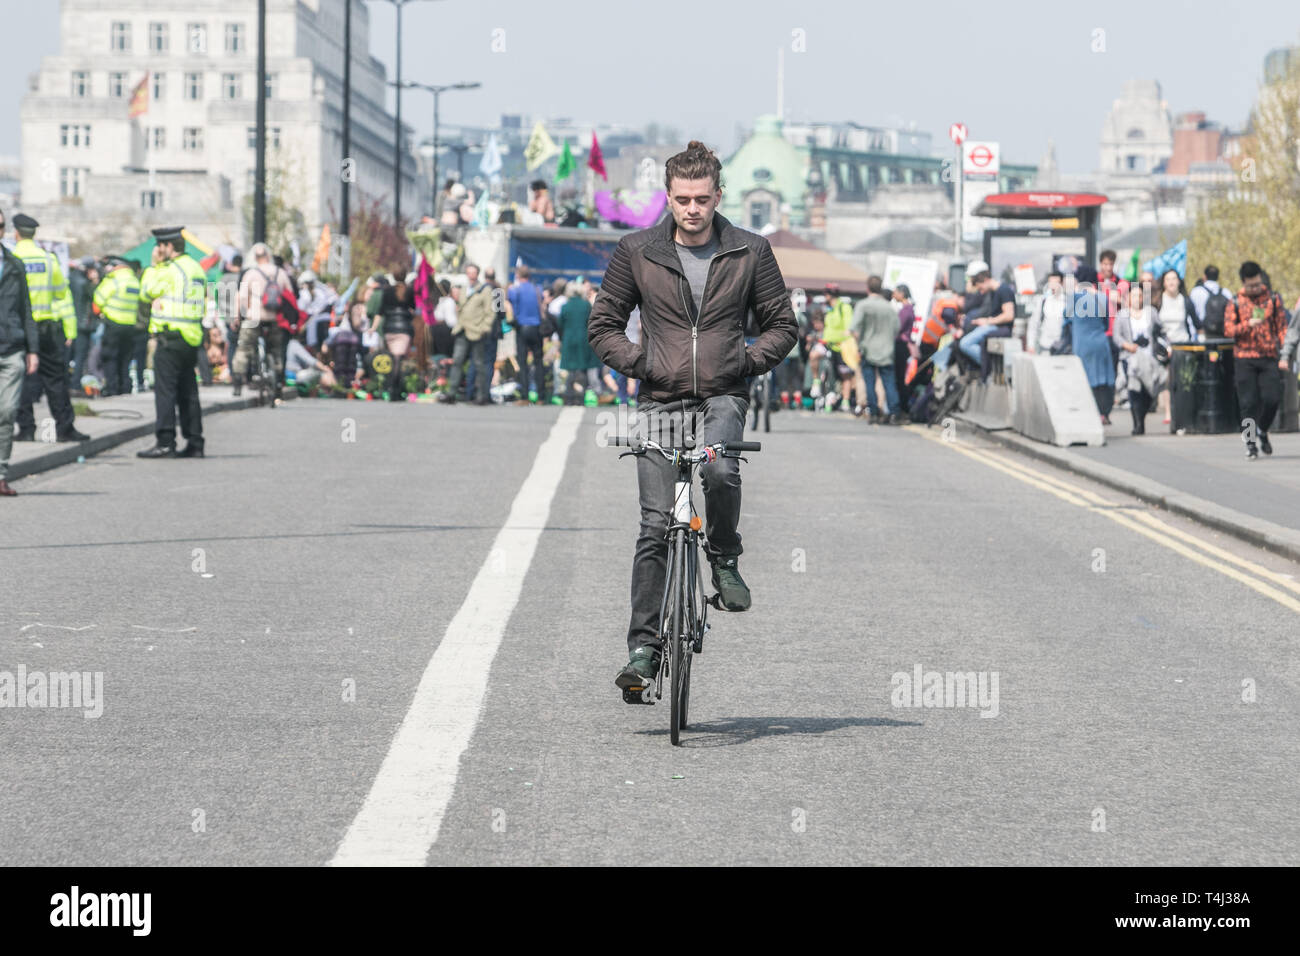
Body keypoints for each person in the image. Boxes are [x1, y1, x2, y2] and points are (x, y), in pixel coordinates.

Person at [587, 140, 798, 692]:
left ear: (718, 196)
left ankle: (724, 557)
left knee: (720, 469)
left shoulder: (751, 250)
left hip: (723, 396)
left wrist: (743, 362)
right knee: (655, 526)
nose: (692, 209)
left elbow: (783, 325)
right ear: (669, 197)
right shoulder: (637, 250)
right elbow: (603, 324)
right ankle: (643, 650)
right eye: (682, 199)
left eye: (702, 199)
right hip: (661, 399)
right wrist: (644, 363)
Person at [11, 214, 88, 443]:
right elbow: (61, 294)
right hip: (46, 327)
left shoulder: (13, 258)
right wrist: (69, 329)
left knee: (21, 379)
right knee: (55, 379)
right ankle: (65, 427)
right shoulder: (47, 259)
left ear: (16, 233)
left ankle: (26, 428)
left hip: (20, 327)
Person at [136, 226, 206, 458]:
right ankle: (195, 441)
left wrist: (153, 265)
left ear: (169, 247)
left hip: (170, 337)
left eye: (160, 246)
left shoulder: (168, 269)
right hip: (191, 336)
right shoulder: (196, 268)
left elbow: (145, 291)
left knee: (165, 392)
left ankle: (166, 441)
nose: (158, 250)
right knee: (189, 392)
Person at [1225, 261, 1288, 460]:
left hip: (1268, 356)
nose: (1255, 289)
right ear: (1244, 283)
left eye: (1258, 284)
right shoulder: (1235, 302)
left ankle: (1262, 429)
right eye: (1251, 285)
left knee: (1273, 398)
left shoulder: (1272, 298)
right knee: (1248, 403)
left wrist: (1285, 350)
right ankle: (1250, 443)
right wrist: (1247, 325)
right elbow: (1228, 331)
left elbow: (1282, 326)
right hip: (1244, 358)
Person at [0, 210, 40, 497]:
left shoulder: (15, 264)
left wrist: (33, 350)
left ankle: (0, 473)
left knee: (7, 411)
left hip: (11, 348)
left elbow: (27, 310)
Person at [1066, 268, 1117, 424]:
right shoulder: (1102, 298)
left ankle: (1086, 413)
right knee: (1102, 379)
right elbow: (1106, 322)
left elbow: (1066, 319)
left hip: (1082, 344)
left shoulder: (1073, 298)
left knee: (1084, 379)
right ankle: (1103, 413)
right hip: (1100, 342)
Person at [1114, 284, 1167, 435]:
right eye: (1134, 295)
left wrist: (1164, 347)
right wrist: (1127, 345)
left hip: (1149, 359)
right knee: (1134, 390)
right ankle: (1138, 424)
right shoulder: (1122, 314)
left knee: (1148, 392)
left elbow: (1161, 331)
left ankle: (1142, 417)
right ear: (1128, 298)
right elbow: (1117, 336)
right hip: (1131, 358)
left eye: (1140, 295)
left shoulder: (1151, 312)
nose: (1137, 298)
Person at [850, 276, 901, 423]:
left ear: (867, 288)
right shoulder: (889, 307)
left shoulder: (863, 305)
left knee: (869, 382)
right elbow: (897, 328)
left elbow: (854, 328)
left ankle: (873, 413)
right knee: (889, 382)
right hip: (887, 350)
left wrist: (860, 343)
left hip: (868, 349)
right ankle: (894, 413)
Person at [92, 255, 141, 396]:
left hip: (113, 325)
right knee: (125, 358)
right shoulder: (134, 281)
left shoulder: (113, 280)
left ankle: (112, 388)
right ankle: (125, 387)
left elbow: (97, 301)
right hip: (130, 326)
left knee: (110, 357)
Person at [440, 276, 494, 405]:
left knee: (478, 363)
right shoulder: (463, 289)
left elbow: (491, 311)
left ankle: (482, 395)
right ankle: (451, 393)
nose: (471, 276)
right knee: (457, 361)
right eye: (469, 273)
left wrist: (485, 327)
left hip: (477, 331)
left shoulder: (486, 290)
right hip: (462, 329)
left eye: (473, 273)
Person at [957, 259, 1015, 377]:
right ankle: (986, 364)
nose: (980, 291)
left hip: (999, 327)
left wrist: (988, 321)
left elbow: (1009, 315)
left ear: (983, 279)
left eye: (979, 286)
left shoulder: (1003, 290)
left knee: (965, 344)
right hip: (993, 326)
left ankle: (987, 364)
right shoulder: (993, 292)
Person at [372, 270, 417, 401]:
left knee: (393, 357)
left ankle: (392, 387)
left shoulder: (387, 291)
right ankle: (395, 388)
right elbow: (413, 308)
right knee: (398, 359)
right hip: (403, 327)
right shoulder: (409, 291)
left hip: (390, 327)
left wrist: (373, 327)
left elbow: (380, 311)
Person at [508, 265, 548, 404]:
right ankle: (541, 396)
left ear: (518, 276)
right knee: (538, 362)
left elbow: (510, 304)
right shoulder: (537, 289)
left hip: (522, 327)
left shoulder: (515, 290)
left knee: (523, 363)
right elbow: (542, 301)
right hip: (536, 328)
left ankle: (524, 396)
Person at [557, 279, 601, 405]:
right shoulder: (586, 305)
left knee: (570, 369)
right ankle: (580, 396)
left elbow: (560, 324)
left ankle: (568, 396)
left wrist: (562, 337)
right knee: (582, 368)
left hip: (569, 339)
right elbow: (591, 322)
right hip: (583, 338)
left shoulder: (565, 306)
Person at [67, 256, 99, 392]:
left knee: (69, 356)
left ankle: (67, 383)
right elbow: (96, 296)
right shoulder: (85, 283)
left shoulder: (71, 278)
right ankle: (75, 385)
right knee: (80, 356)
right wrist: (95, 281)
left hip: (70, 323)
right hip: (82, 324)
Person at [1026, 271, 1066, 354]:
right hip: (1045, 348)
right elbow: (1033, 324)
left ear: (1061, 284)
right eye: (1051, 283)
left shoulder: (1067, 302)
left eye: (1056, 283)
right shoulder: (1042, 301)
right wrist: (1031, 345)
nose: (1053, 286)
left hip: (1062, 349)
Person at [1189, 264, 1231, 333]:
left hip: (1201, 332)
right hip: (1221, 333)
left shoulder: (1196, 291)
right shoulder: (1226, 292)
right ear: (1218, 277)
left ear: (1204, 276)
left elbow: (1191, 315)